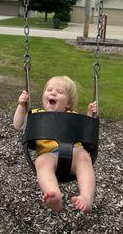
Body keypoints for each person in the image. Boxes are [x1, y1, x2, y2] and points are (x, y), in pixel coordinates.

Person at [13, 75, 97, 214]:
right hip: (48, 155)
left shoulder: (72, 115)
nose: (53, 93)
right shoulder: (35, 114)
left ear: (68, 103)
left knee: (84, 158)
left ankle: (87, 198)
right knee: (41, 162)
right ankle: (53, 195)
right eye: (49, 90)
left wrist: (90, 115)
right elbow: (17, 125)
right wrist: (22, 106)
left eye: (59, 92)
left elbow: (86, 131)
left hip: (74, 152)